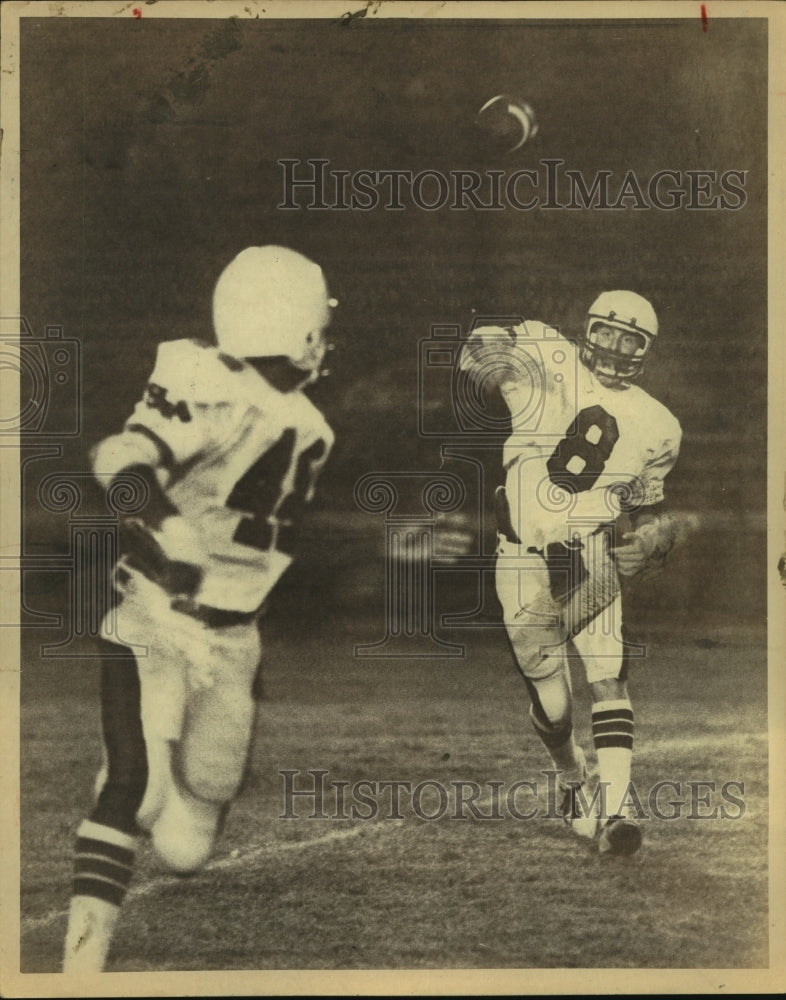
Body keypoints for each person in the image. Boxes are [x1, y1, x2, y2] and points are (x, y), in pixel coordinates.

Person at [63, 246, 337, 972]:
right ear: (299, 323)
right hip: (153, 611)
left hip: (232, 638)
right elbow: (118, 462)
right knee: (133, 788)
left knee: (188, 844)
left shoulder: (310, 424)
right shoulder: (203, 377)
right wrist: (167, 529)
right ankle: (78, 971)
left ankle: (150, 783)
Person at [460, 291, 683, 856]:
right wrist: (493, 354)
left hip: (590, 556)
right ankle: (570, 776)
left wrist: (653, 537)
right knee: (554, 707)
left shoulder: (660, 424)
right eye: (607, 331)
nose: (614, 346)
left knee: (608, 677)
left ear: (645, 350)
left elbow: (644, 508)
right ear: (588, 329)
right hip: (521, 556)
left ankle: (617, 808)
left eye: (629, 339)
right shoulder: (545, 350)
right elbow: (483, 355)